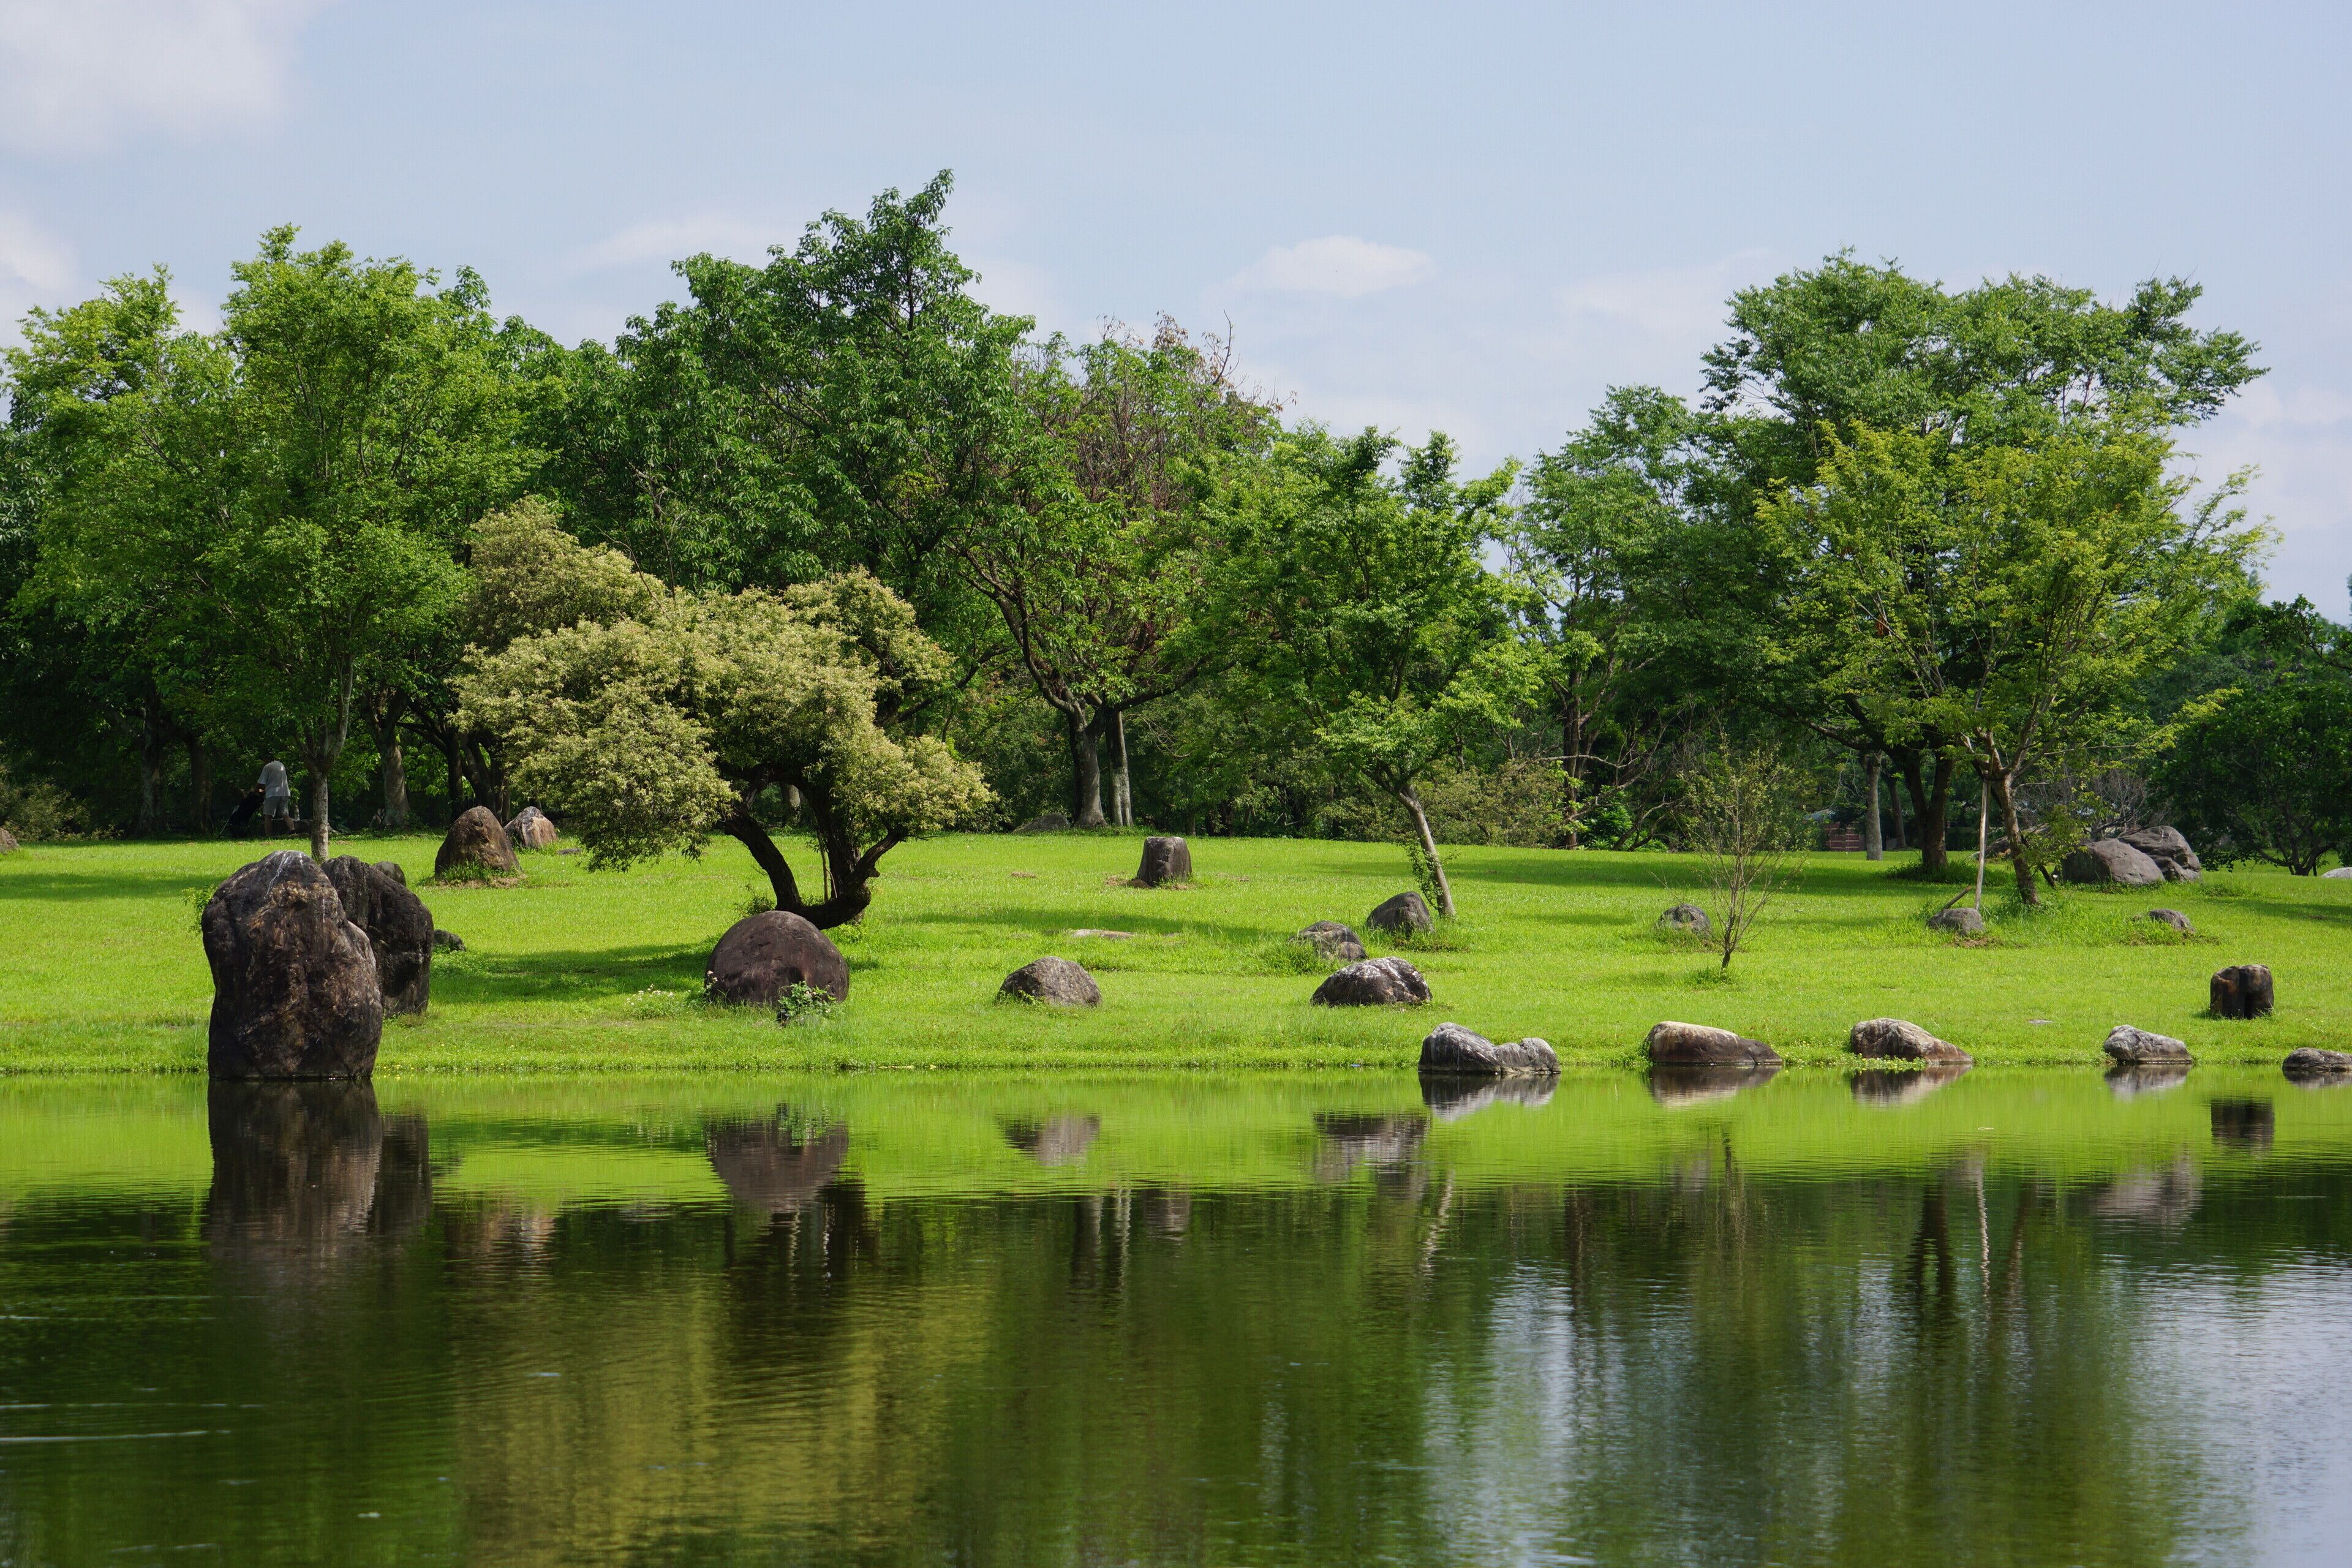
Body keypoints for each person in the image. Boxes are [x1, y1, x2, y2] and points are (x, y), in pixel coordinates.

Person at [258, 760, 292, 834]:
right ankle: (293, 831)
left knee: (268, 816)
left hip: (273, 793)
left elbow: (261, 784)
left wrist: (256, 790)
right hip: (284, 792)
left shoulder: (267, 767)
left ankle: (268, 836)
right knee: (285, 815)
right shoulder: (281, 765)